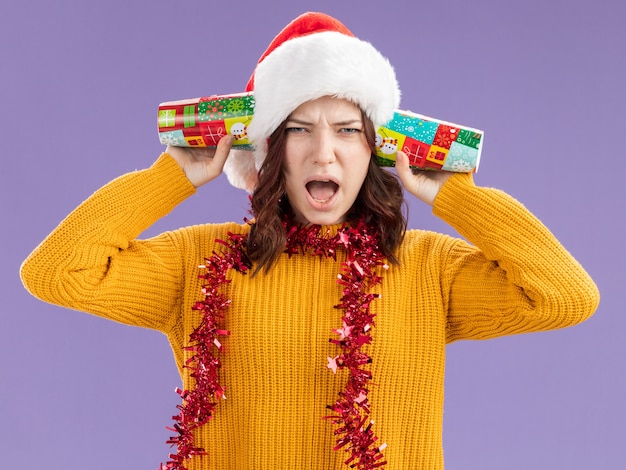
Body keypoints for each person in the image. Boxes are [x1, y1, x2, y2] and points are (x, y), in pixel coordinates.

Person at [20, 11, 599, 470]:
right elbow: (55, 272)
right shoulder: (200, 262)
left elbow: (564, 296)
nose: (324, 152)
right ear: (271, 152)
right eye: (299, 129)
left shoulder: (425, 267)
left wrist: (455, 195)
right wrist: (170, 177)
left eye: (348, 130)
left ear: (375, 150)